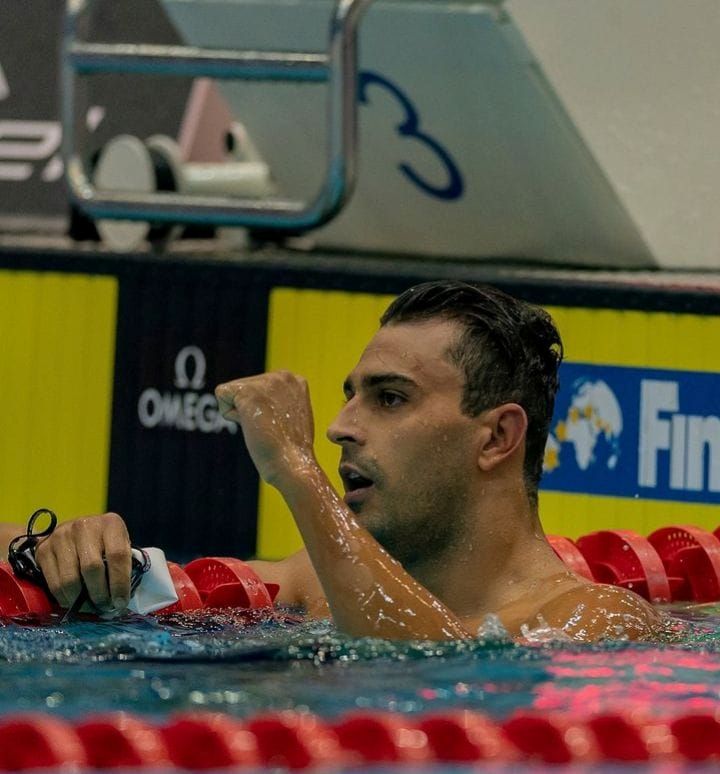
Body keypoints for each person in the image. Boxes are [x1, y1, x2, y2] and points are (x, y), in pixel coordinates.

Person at [2, 281, 659, 640]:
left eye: (392, 399)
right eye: (350, 398)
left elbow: (439, 674)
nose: (341, 428)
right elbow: (158, 583)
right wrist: (67, 548)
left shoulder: (597, 622)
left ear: (496, 438)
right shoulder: (310, 588)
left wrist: (295, 466)